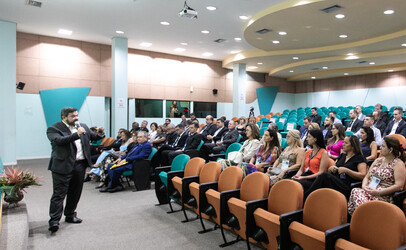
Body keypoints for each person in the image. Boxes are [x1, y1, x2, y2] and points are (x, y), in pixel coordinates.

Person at [47, 107, 105, 233]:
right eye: (73, 116)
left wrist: (100, 133)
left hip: (79, 165)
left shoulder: (82, 126)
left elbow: (94, 137)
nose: (76, 118)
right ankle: (54, 220)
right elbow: (60, 141)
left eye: (77, 115)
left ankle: (70, 215)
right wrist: (76, 134)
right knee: (59, 194)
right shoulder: (54, 128)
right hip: (62, 166)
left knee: (75, 192)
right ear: (64, 117)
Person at [348, 136, 406, 215]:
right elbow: (367, 177)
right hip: (370, 190)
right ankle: (368, 215)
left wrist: (379, 192)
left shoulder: (398, 164)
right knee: (355, 191)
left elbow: (399, 186)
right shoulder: (378, 160)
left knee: (360, 199)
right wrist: (364, 186)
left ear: (391, 149)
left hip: (383, 195)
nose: (380, 148)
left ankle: (366, 216)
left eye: (383, 146)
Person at [304, 135, 367, 199]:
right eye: (343, 142)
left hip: (346, 184)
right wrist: (331, 169)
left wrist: (347, 171)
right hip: (335, 180)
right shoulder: (342, 156)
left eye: (346, 143)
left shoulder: (359, 158)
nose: (343, 144)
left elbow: (362, 175)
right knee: (317, 179)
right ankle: (310, 197)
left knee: (324, 176)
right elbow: (331, 168)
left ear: (353, 146)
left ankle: (307, 197)